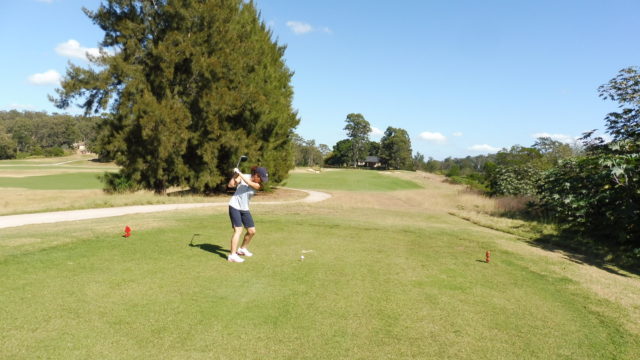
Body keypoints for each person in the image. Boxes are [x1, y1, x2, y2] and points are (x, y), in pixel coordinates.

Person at [226, 165, 268, 263]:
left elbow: (249, 183)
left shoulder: (257, 185)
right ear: (256, 175)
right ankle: (232, 255)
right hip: (234, 206)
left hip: (244, 208)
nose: (262, 181)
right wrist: (235, 175)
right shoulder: (243, 176)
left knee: (252, 231)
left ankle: (242, 249)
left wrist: (239, 173)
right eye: (261, 178)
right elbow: (231, 185)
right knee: (238, 230)